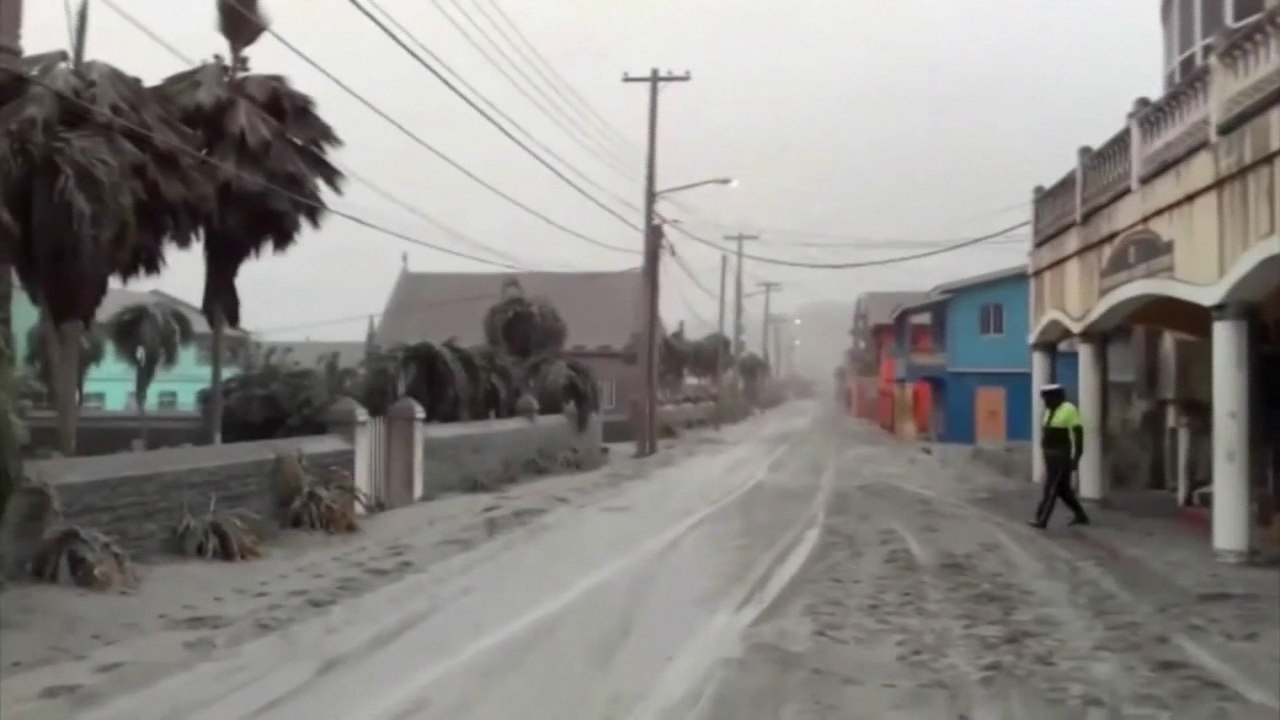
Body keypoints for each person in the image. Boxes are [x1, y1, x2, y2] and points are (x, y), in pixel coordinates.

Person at [1031, 383, 1090, 528]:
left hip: (1061, 455)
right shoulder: (1049, 411)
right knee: (1063, 490)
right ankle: (1081, 515)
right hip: (1049, 455)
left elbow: (1078, 434)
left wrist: (1076, 457)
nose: (1045, 402)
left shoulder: (1069, 409)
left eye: (1048, 398)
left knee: (1051, 487)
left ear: (1057, 397)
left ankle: (1042, 519)